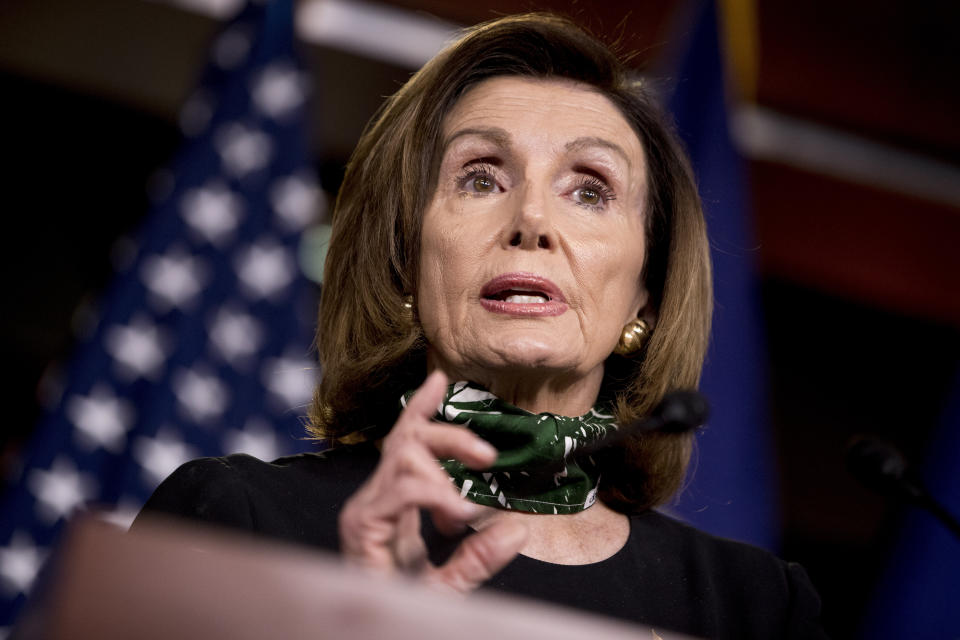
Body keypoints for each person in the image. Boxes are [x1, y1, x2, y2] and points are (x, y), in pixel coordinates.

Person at [134, 13, 826, 638]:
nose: (532, 221)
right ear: (405, 261)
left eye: (590, 189)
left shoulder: (753, 607)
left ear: (645, 297)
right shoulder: (239, 522)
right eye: (480, 178)